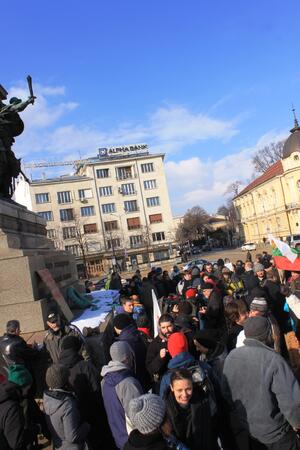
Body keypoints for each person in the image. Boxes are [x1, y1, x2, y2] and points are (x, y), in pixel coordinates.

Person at [222, 316, 300, 449]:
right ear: (269, 334)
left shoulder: (231, 357)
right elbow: (291, 403)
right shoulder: (274, 360)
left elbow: (226, 393)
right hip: (277, 435)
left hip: (249, 431)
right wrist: (297, 423)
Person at [58, 336, 113, 450]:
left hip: (73, 419)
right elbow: (97, 389)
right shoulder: (85, 366)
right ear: (78, 349)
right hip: (93, 414)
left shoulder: (58, 368)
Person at [101, 341, 143, 449]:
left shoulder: (104, 381)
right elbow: (138, 416)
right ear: (127, 357)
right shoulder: (128, 383)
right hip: (134, 440)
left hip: (119, 436)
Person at [164, 369, 218, 450]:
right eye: (179, 390)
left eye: (188, 389)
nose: (184, 394)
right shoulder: (165, 409)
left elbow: (211, 432)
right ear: (172, 388)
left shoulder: (203, 400)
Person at [43, 363, 90, 450]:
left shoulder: (47, 399)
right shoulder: (67, 404)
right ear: (64, 381)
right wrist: (87, 426)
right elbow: (72, 436)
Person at [114, 314, 150, 390]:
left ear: (116, 327)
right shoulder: (139, 333)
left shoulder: (122, 345)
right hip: (147, 376)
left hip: (136, 381)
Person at [146, 314, 174, 393]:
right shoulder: (154, 344)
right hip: (163, 383)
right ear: (160, 327)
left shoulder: (180, 337)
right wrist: (160, 357)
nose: (167, 330)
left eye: (169, 326)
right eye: (163, 327)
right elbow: (150, 368)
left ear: (173, 324)